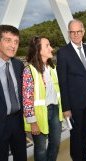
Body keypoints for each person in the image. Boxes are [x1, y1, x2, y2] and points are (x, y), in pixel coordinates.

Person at [56, 19, 86, 161]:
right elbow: (62, 83)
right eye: (72, 32)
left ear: (83, 32)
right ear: (69, 33)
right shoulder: (63, 53)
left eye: (78, 31)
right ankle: (77, 158)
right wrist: (66, 107)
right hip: (74, 103)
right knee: (76, 133)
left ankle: (84, 155)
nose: (75, 35)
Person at [23, 36, 63, 161]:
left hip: (55, 110)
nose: (51, 48)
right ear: (38, 49)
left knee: (55, 144)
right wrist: (33, 122)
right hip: (39, 115)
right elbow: (27, 99)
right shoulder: (29, 70)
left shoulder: (52, 68)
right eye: (47, 45)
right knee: (40, 148)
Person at [0, 25, 27, 161]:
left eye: (16, 42)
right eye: (8, 40)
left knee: (21, 156)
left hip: (17, 121)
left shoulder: (18, 65)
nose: (13, 45)